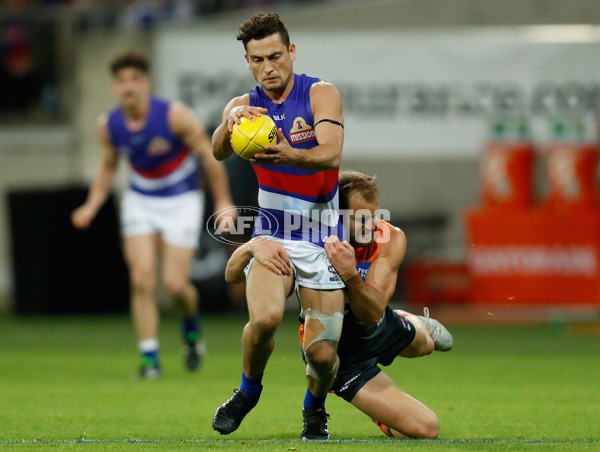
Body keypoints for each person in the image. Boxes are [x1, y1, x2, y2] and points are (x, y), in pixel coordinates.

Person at [225, 170, 454, 439]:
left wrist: (349, 273)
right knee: (427, 430)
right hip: (344, 353)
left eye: (375, 215)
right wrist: (250, 248)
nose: (371, 226)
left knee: (425, 345)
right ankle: (378, 412)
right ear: (335, 217)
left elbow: (372, 313)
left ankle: (414, 322)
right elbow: (235, 277)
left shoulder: (390, 238)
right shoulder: (310, 244)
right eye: (360, 219)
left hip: (378, 323)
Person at [211, 12, 346, 439]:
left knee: (323, 356)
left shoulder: (320, 93)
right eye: (256, 60)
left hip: (323, 235)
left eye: (274, 56)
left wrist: (287, 153)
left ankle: (314, 409)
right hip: (272, 232)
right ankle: (248, 391)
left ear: (290, 52)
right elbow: (216, 152)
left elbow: (331, 153)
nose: (267, 67)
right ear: (248, 62)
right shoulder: (244, 107)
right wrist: (227, 125)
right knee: (266, 318)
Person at [71, 51, 235, 379]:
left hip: (181, 200)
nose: (129, 86)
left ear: (145, 82)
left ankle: (190, 326)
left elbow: (210, 156)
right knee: (142, 280)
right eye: (122, 81)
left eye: (135, 79)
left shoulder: (175, 116)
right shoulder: (110, 125)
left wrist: (223, 201)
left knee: (175, 285)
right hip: (140, 201)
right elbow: (107, 168)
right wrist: (91, 204)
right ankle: (150, 360)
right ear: (115, 86)